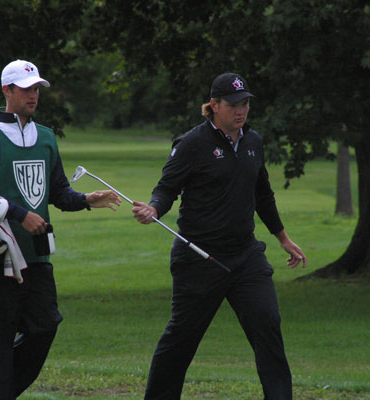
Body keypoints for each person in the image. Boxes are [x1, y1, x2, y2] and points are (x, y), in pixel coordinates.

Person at [132, 72, 306, 400]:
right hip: (200, 258)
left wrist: (283, 238)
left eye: (246, 104)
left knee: (268, 327)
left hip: (246, 257)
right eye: (233, 105)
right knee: (181, 341)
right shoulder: (192, 144)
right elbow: (167, 188)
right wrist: (154, 208)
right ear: (214, 105)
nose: (241, 111)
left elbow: (263, 195)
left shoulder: (253, 142)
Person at [0, 59, 121, 400]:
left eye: (36, 88)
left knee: (45, 326)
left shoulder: (46, 137)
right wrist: (21, 215)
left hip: (37, 255)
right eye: (25, 89)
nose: (33, 95)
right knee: (0, 337)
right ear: (7, 90)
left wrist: (85, 200)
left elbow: (57, 192)